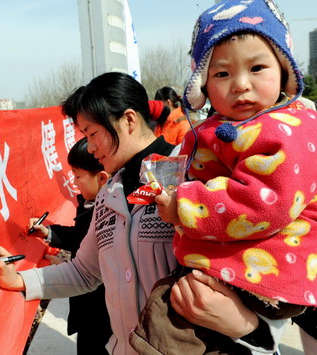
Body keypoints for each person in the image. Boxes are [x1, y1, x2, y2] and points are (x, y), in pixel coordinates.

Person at [0, 72, 288, 355]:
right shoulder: (107, 196)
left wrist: (249, 326)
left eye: (91, 133)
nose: (89, 148)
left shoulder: (193, 171)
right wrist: (19, 280)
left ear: (128, 120)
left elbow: (266, 263)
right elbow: (85, 272)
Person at [131, 0, 317, 354]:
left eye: (258, 67)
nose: (241, 84)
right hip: (235, 262)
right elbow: (185, 167)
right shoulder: (214, 129)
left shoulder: (289, 129)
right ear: (202, 82)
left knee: (168, 320)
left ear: (284, 70)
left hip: (267, 264)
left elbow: (264, 202)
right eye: (222, 74)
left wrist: (183, 205)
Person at [28, 136, 112, 354]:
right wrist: (49, 233)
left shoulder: (110, 214)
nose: (73, 182)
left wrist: (63, 265)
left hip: (101, 312)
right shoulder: (93, 203)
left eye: (77, 176)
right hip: (89, 310)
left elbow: (88, 260)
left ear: (102, 178)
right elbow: (81, 237)